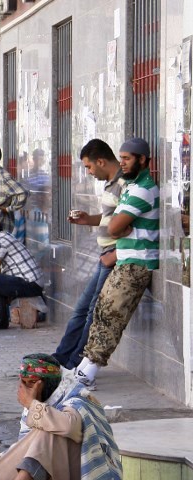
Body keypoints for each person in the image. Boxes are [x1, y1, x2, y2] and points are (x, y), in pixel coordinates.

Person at [75, 137, 159, 387]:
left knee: (111, 315)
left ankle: (88, 372)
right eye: (121, 158)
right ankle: (84, 367)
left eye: (127, 158)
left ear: (143, 160)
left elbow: (114, 227)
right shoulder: (131, 187)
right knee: (103, 311)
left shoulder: (144, 189)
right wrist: (117, 228)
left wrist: (119, 229)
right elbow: (114, 225)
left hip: (138, 262)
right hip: (126, 259)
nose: (122, 163)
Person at [51, 140, 124, 370]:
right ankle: (62, 357)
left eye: (89, 167)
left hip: (113, 256)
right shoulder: (111, 184)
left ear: (101, 161)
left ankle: (76, 364)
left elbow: (135, 227)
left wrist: (116, 254)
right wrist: (88, 219)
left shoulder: (125, 185)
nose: (89, 172)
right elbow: (110, 219)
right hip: (105, 255)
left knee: (93, 312)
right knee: (82, 309)